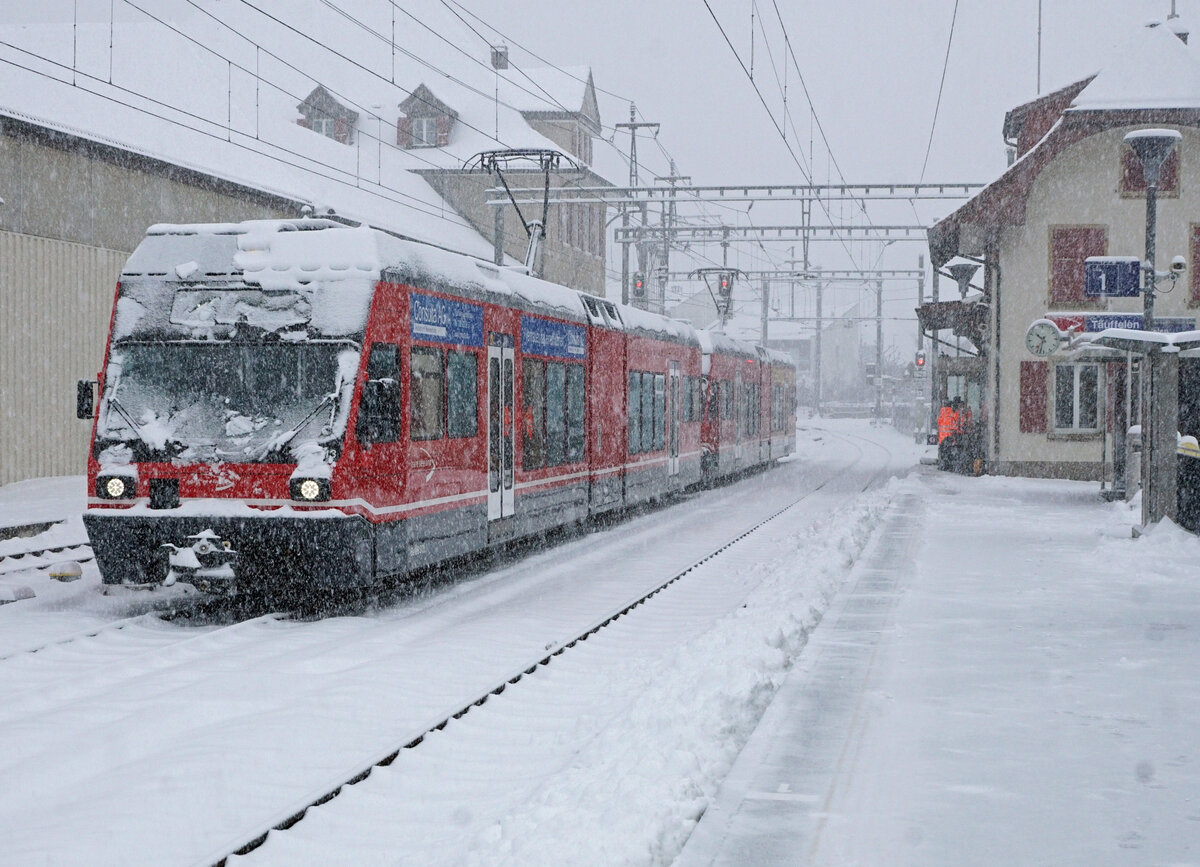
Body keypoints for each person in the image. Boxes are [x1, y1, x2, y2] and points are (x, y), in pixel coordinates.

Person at [937, 397, 965, 471]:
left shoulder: (941, 414)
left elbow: (939, 425)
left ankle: (943, 466)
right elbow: (955, 426)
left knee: (944, 453)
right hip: (950, 437)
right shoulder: (953, 414)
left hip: (941, 438)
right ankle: (950, 466)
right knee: (950, 453)